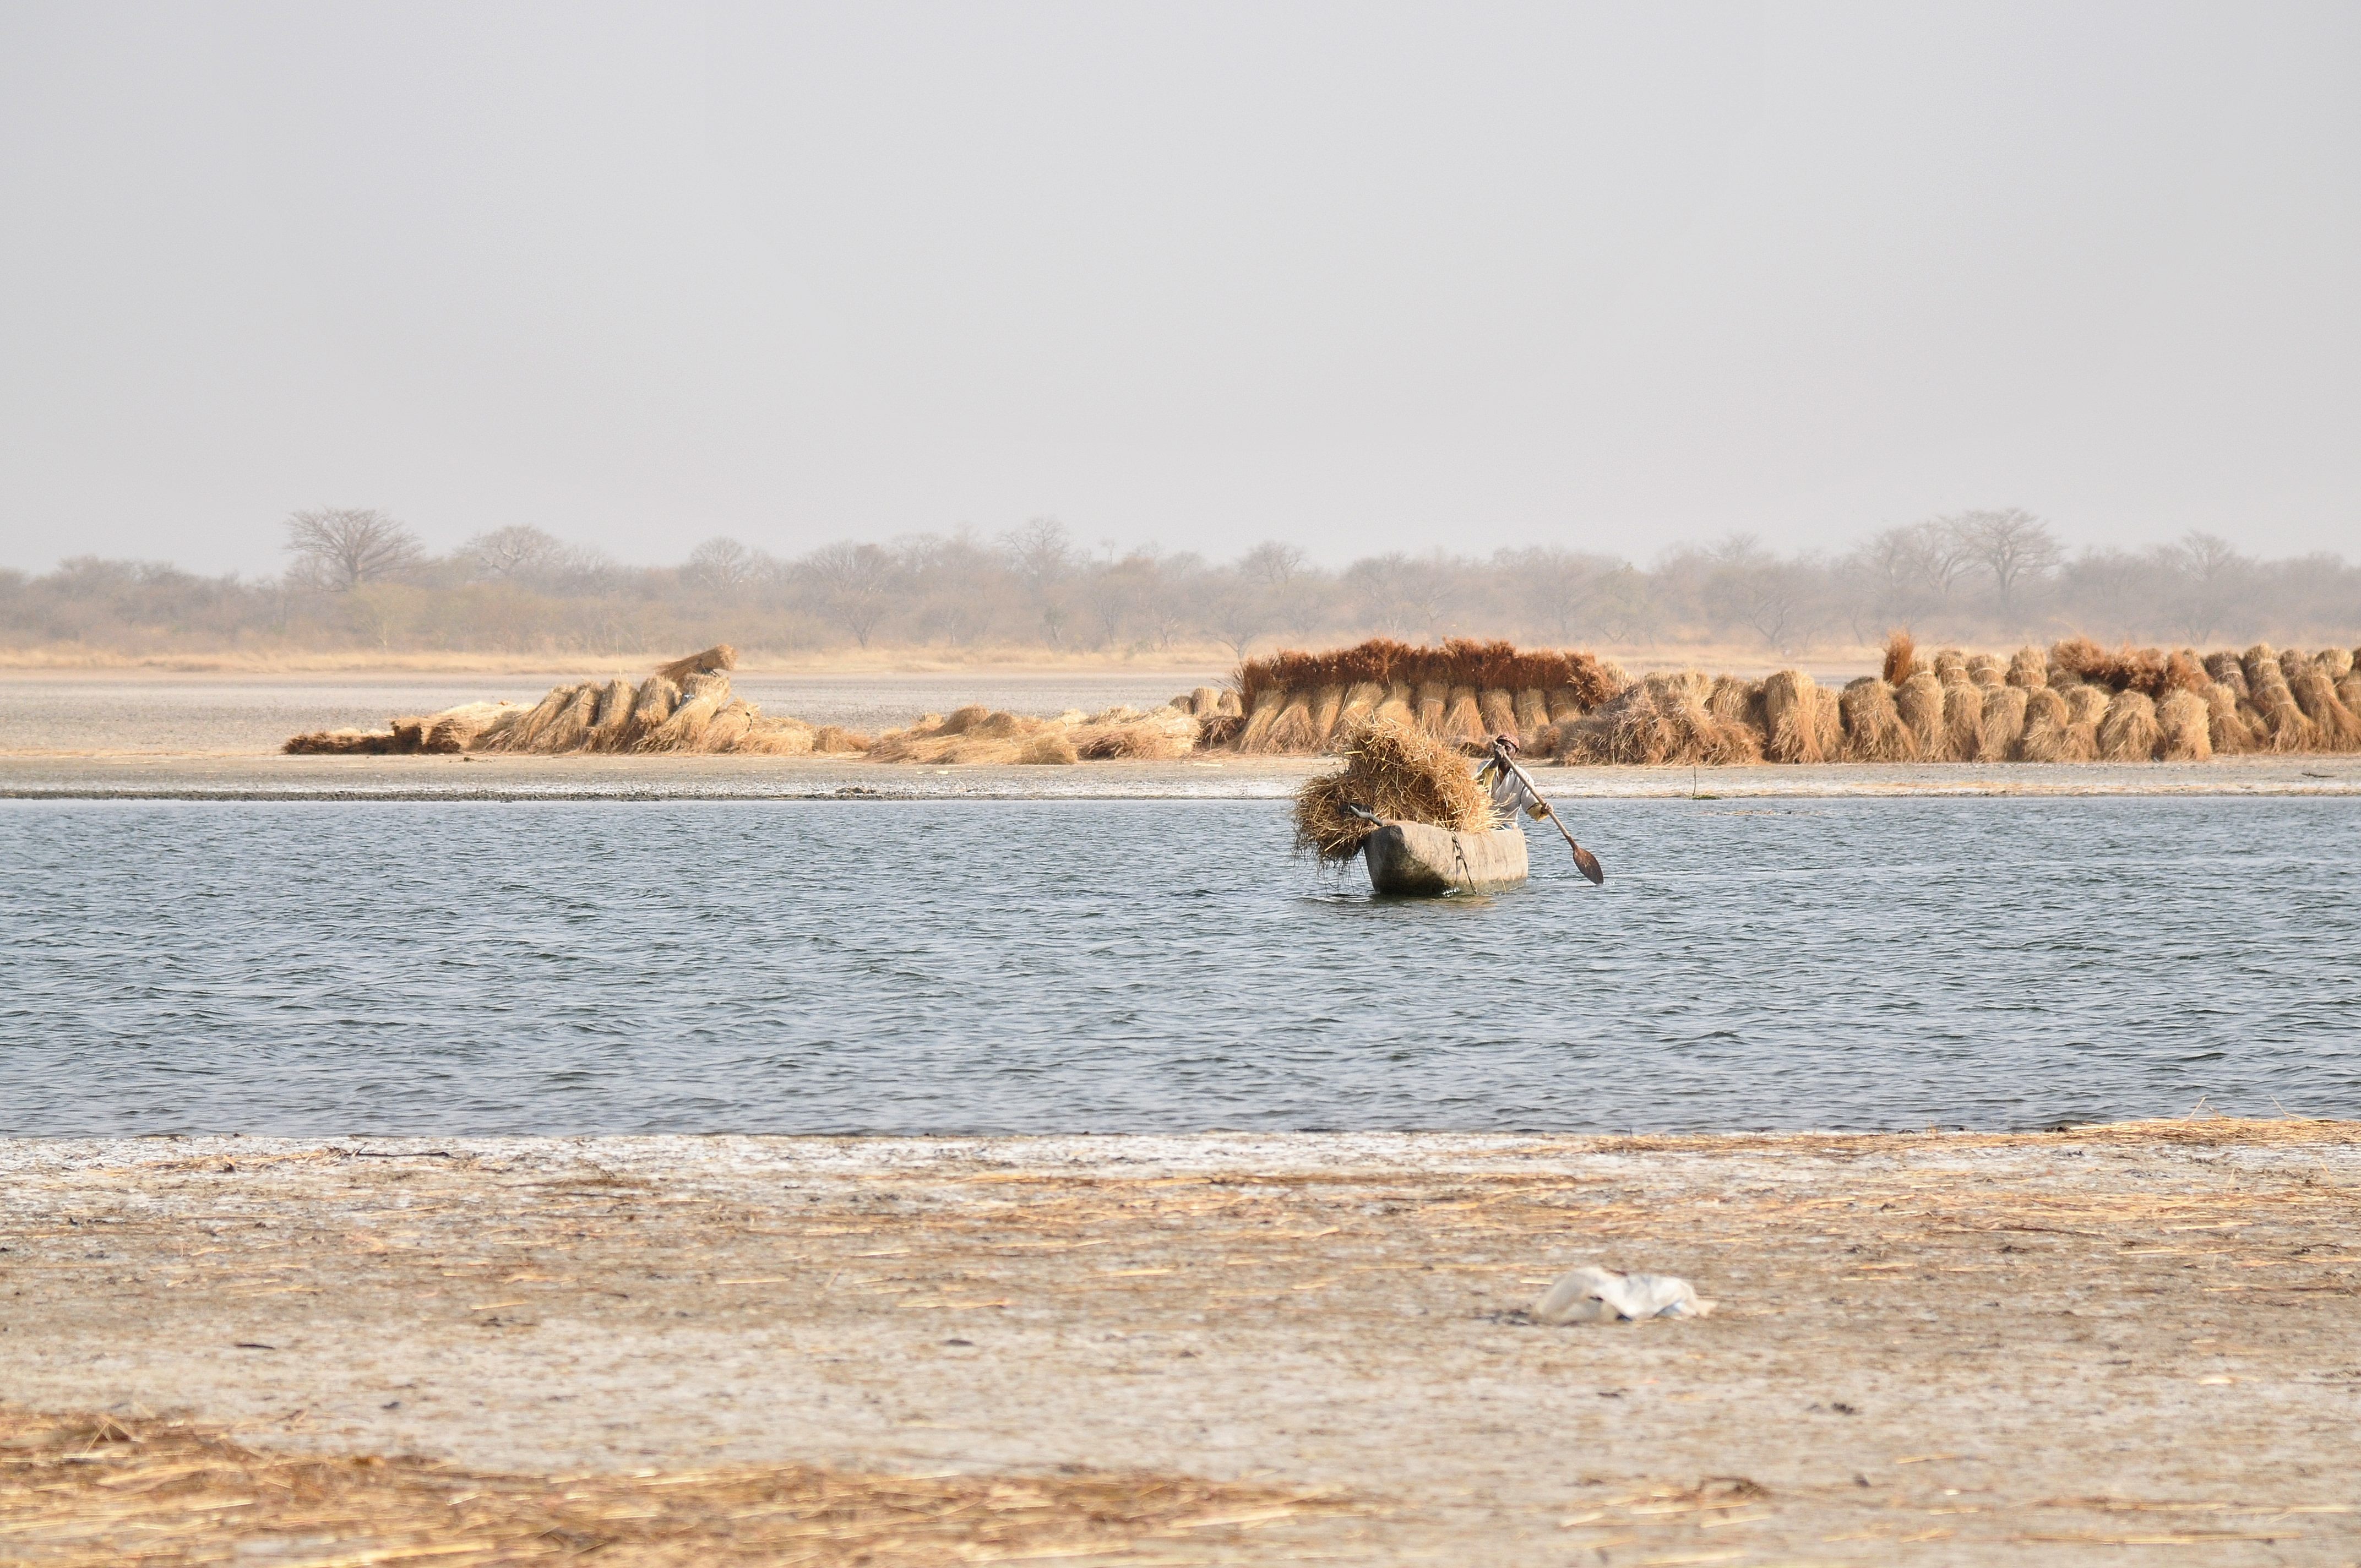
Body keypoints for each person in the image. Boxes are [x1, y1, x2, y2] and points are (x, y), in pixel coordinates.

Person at [1475, 734, 1548, 828]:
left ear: (1515, 752)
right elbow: (1481, 788)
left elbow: (1532, 808)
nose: (1503, 751)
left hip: (1507, 827)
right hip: (1483, 825)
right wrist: (1497, 761)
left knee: (1505, 827)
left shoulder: (1523, 778)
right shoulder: (1485, 767)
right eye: (1501, 747)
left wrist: (1543, 810)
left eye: (1507, 748)